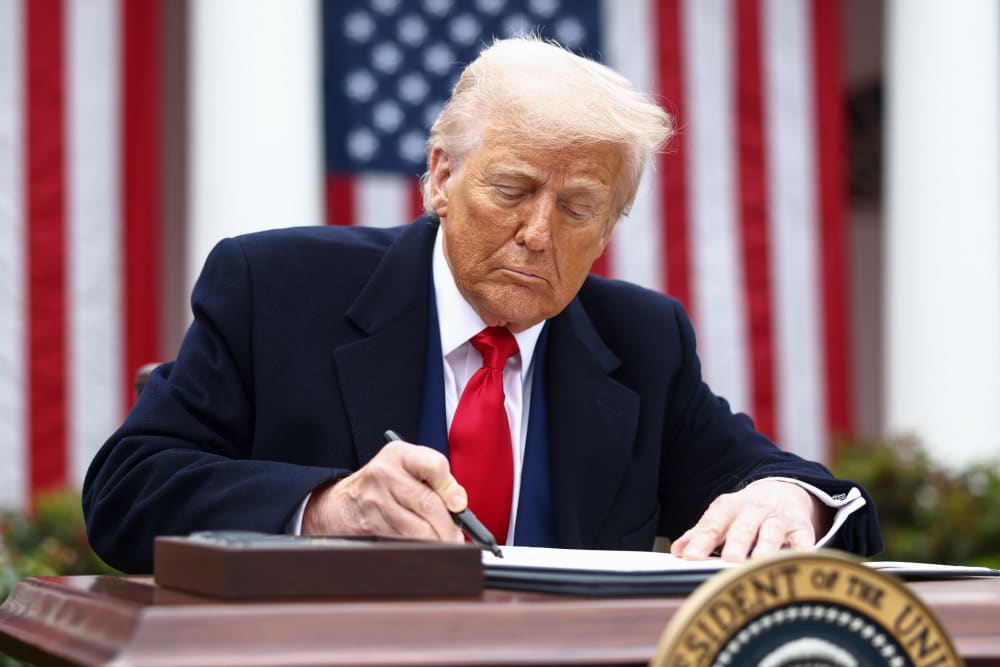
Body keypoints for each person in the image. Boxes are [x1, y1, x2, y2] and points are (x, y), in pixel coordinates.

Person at [83, 36, 881, 574]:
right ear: (440, 177)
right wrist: (327, 508)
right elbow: (127, 490)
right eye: (512, 190)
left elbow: (804, 493)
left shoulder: (643, 342)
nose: (537, 233)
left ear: (610, 226)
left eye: (577, 208)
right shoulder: (277, 288)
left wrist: (788, 499)